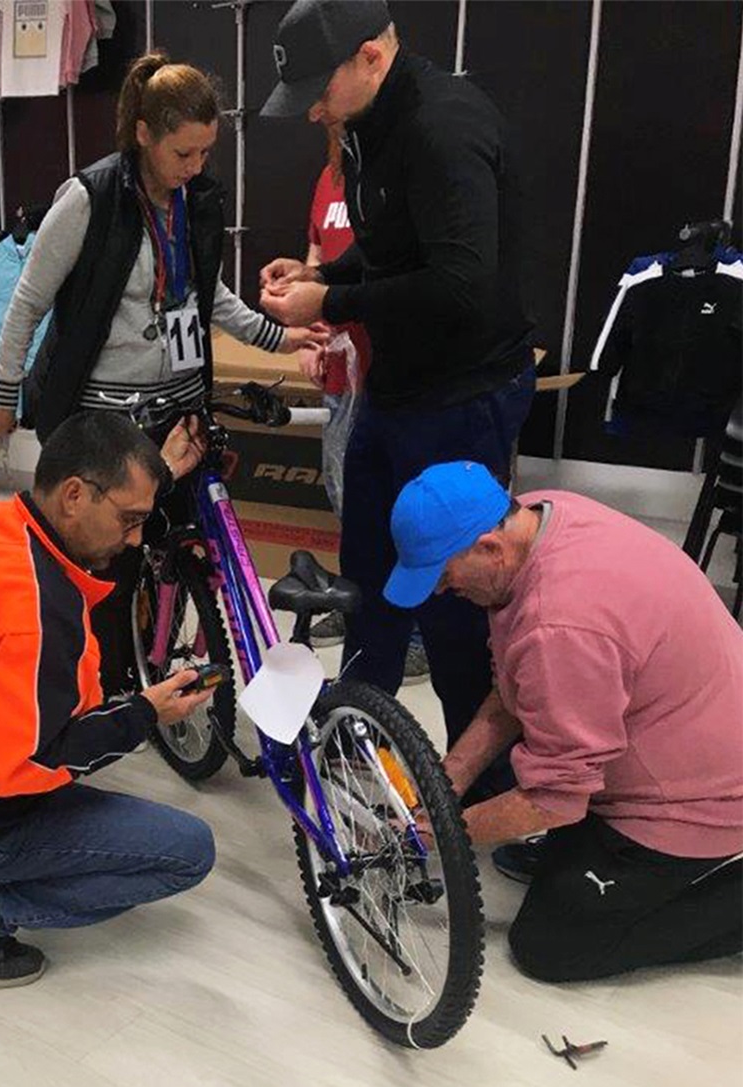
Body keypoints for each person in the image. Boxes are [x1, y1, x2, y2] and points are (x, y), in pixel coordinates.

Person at [0, 52, 325, 692]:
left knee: (165, 551)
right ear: (144, 133)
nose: (195, 168)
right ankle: (93, 682)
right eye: (183, 154)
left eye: (204, 154)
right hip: (103, 421)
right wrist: (4, 396)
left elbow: (210, 298)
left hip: (178, 409)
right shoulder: (89, 199)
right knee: (101, 558)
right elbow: (27, 301)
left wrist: (281, 336)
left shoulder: (195, 202)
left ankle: (148, 668)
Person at [258, 0, 536, 782]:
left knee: (455, 601)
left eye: (321, 86)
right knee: (369, 577)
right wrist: (324, 274)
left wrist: (333, 304)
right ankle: (356, 740)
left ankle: (480, 788)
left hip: (463, 397)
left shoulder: (443, 127)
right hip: (397, 390)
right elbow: (393, 254)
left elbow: (460, 283)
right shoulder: (368, 126)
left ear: (372, 56)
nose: (312, 107)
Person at [0, 412, 219, 988]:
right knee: (188, 850)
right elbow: (19, 767)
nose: (134, 540)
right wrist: (145, 714)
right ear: (75, 494)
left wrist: (160, 478)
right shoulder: (37, 616)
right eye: (129, 520)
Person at [386, 462, 743, 983]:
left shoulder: (561, 626)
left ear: (489, 547)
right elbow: (513, 693)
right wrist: (447, 782)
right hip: (683, 735)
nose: (440, 591)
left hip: (699, 801)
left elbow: (555, 801)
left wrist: (435, 832)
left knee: (551, 949)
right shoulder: (547, 512)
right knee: (546, 859)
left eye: (443, 575)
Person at [294, 114, 427, 683]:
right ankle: (363, 606)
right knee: (342, 488)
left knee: (394, 503)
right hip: (339, 366)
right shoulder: (329, 180)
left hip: (391, 367)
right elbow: (318, 257)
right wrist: (310, 325)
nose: (325, 118)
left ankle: (411, 626)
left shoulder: (396, 178)